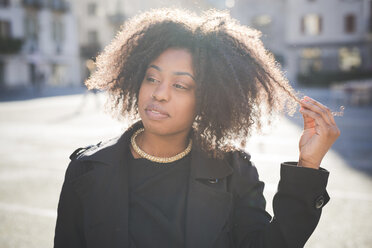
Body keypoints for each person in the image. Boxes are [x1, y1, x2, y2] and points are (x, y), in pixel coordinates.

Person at [54, 8, 340, 248]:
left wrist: (308, 165)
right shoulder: (87, 169)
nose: (160, 93)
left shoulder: (234, 172)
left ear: (207, 98)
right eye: (152, 78)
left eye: (180, 85)